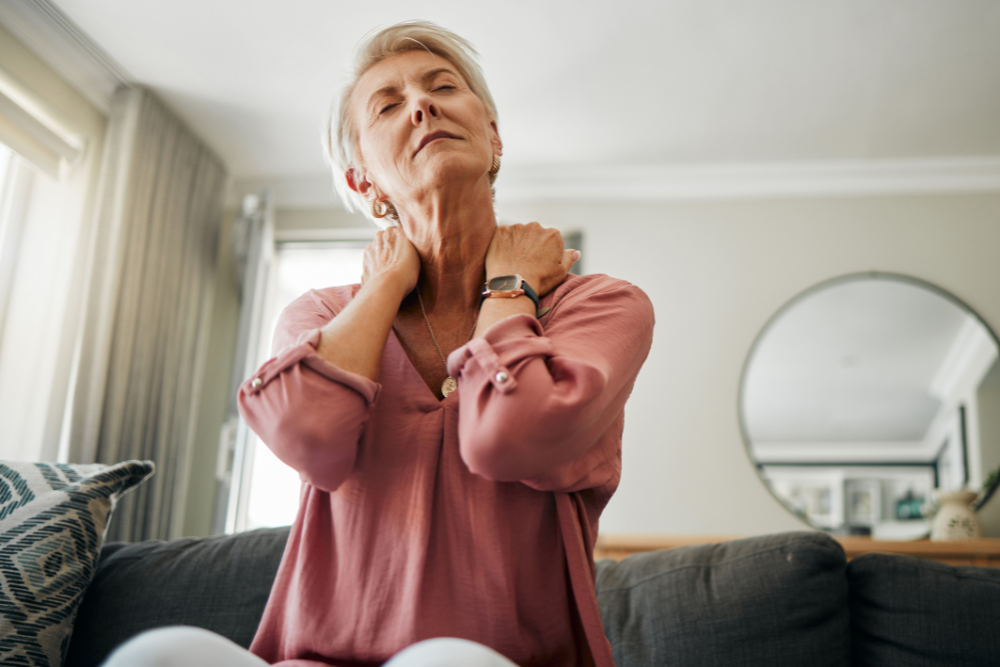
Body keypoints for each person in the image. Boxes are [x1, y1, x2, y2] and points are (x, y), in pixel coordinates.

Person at [102, 20, 653, 667]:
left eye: (443, 87)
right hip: (314, 659)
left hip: (490, 661)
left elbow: (505, 435)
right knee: (153, 654)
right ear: (364, 183)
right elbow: (310, 437)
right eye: (388, 105)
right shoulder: (324, 314)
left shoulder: (597, 306)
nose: (421, 104)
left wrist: (510, 286)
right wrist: (387, 280)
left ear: (494, 136)